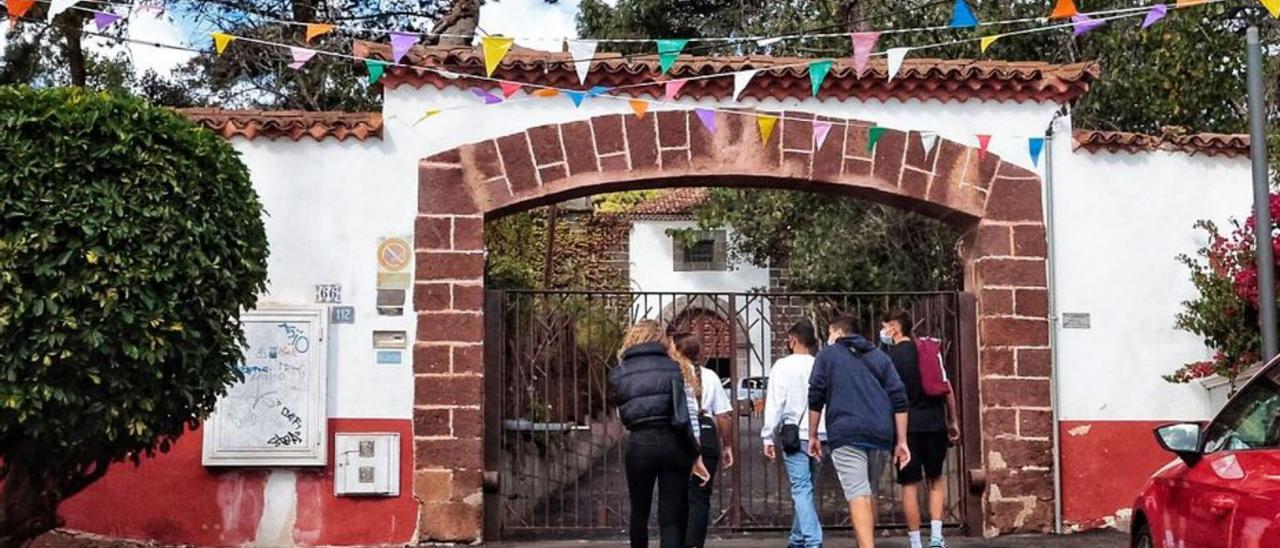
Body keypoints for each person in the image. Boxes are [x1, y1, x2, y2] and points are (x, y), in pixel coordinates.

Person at [808, 316, 910, 548]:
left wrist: (813, 435)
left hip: (846, 430)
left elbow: (816, 395)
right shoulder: (880, 357)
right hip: (880, 433)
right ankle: (866, 542)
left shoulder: (827, 355)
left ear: (838, 333)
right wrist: (901, 441)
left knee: (857, 493)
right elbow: (899, 398)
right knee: (868, 491)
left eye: (830, 333)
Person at [609, 321, 710, 548]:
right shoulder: (674, 367)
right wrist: (695, 453)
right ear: (661, 340)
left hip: (639, 444)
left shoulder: (619, 373)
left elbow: (621, 412)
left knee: (639, 512)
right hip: (673, 443)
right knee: (671, 518)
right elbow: (684, 415)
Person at [880, 311, 961, 548]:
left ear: (894, 329)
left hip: (905, 429)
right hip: (935, 423)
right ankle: (937, 537)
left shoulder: (888, 359)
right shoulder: (927, 351)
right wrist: (952, 421)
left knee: (909, 485)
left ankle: (915, 541)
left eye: (885, 327)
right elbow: (947, 388)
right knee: (936, 480)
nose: (883, 332)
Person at [761, 320, 826, 548]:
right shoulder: (821, 363)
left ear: (794, 340)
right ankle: (797, 539)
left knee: (800, 488)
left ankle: (812, 540)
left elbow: (775, 402)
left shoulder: (783, 366)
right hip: (821, 432)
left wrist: (768, 435)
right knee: (807, 489)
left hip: (795, 434)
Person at [672, 332, 735, 548]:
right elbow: (724, 415)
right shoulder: (710, 376)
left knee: (677, 493)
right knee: (700, 495)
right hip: (707, 432)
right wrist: (726, 445)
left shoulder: (673, 374)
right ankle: (694, 544)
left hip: (679, 434)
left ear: (677, 350)